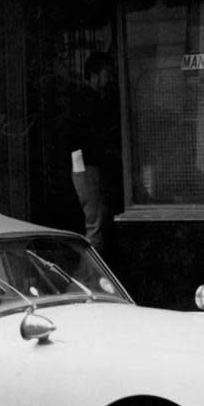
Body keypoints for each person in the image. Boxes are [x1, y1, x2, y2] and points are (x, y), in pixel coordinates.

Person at [67, 52, 122, 255]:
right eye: (106, 73)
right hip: (88, 168)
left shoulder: (87, 99)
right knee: (96, 225)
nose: (109, 78)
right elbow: (84, 140)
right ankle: (87, 276)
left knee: (97, 223)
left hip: (86, 167)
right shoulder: (87, 101)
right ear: (95, 75)